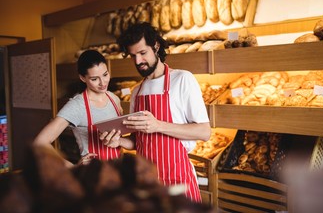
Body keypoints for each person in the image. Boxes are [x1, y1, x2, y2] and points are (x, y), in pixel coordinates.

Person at [100, 22, 211, 202]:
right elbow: (140, 142)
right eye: (133, 56)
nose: (138, 61)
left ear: (156, 46)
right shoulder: (137, 91)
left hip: (177, 180)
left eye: (143, 53)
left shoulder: (182, 79)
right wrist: (118, 141)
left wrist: (158, 125)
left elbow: (205, 132)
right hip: (148, 183)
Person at [33, 50, 123, 167]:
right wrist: (73, 167)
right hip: (92, 176)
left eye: (105, 75)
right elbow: (39, 144)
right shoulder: (77, 106)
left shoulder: (114, 98)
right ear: (82, 78)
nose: (103, 83)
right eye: (94, 79)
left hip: (117, 171)